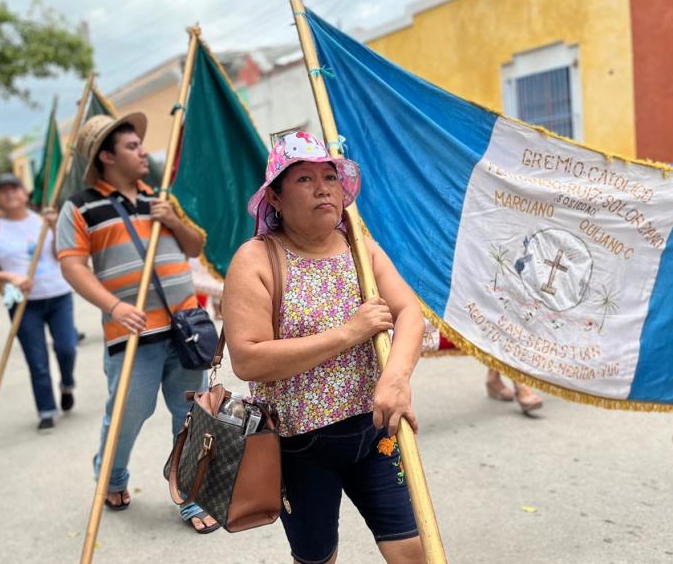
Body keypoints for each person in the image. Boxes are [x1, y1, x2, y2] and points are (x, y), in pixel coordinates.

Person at [223, 130, 424, 564]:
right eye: (303, 179)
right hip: (299, 447)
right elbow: (248, 358)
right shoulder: (255, 260)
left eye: (329, 178)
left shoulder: (361, 250)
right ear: (274, 197)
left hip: (375, 435)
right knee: (317, 559)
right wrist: (348, 334)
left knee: (414, 551)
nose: (322, 188)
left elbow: (410, 312)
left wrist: (396, 378)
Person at [55, 113, 218, 533]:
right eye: (132, 147)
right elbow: (72, 266)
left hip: (186, 328)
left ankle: (188, 495)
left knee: (189, 416)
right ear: (106, 156)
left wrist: (172, 220)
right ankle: (112, 477)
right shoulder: (80, 206)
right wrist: (113, 306)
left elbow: (197, 245)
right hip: (132, 333)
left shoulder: (160, 197)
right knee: (128, 413)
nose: (143, 151)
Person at [0, 173, 78, 429]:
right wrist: (10, 277)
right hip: (20, 300)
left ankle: (67, 383)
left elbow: (62, 255)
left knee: (67, 348)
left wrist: (55, 227)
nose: (10, 194)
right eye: (3, 190)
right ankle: (46, 410)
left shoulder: (43, 221)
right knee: (37, 358)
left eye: (14, 188)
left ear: (24, 193)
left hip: (56, 294)